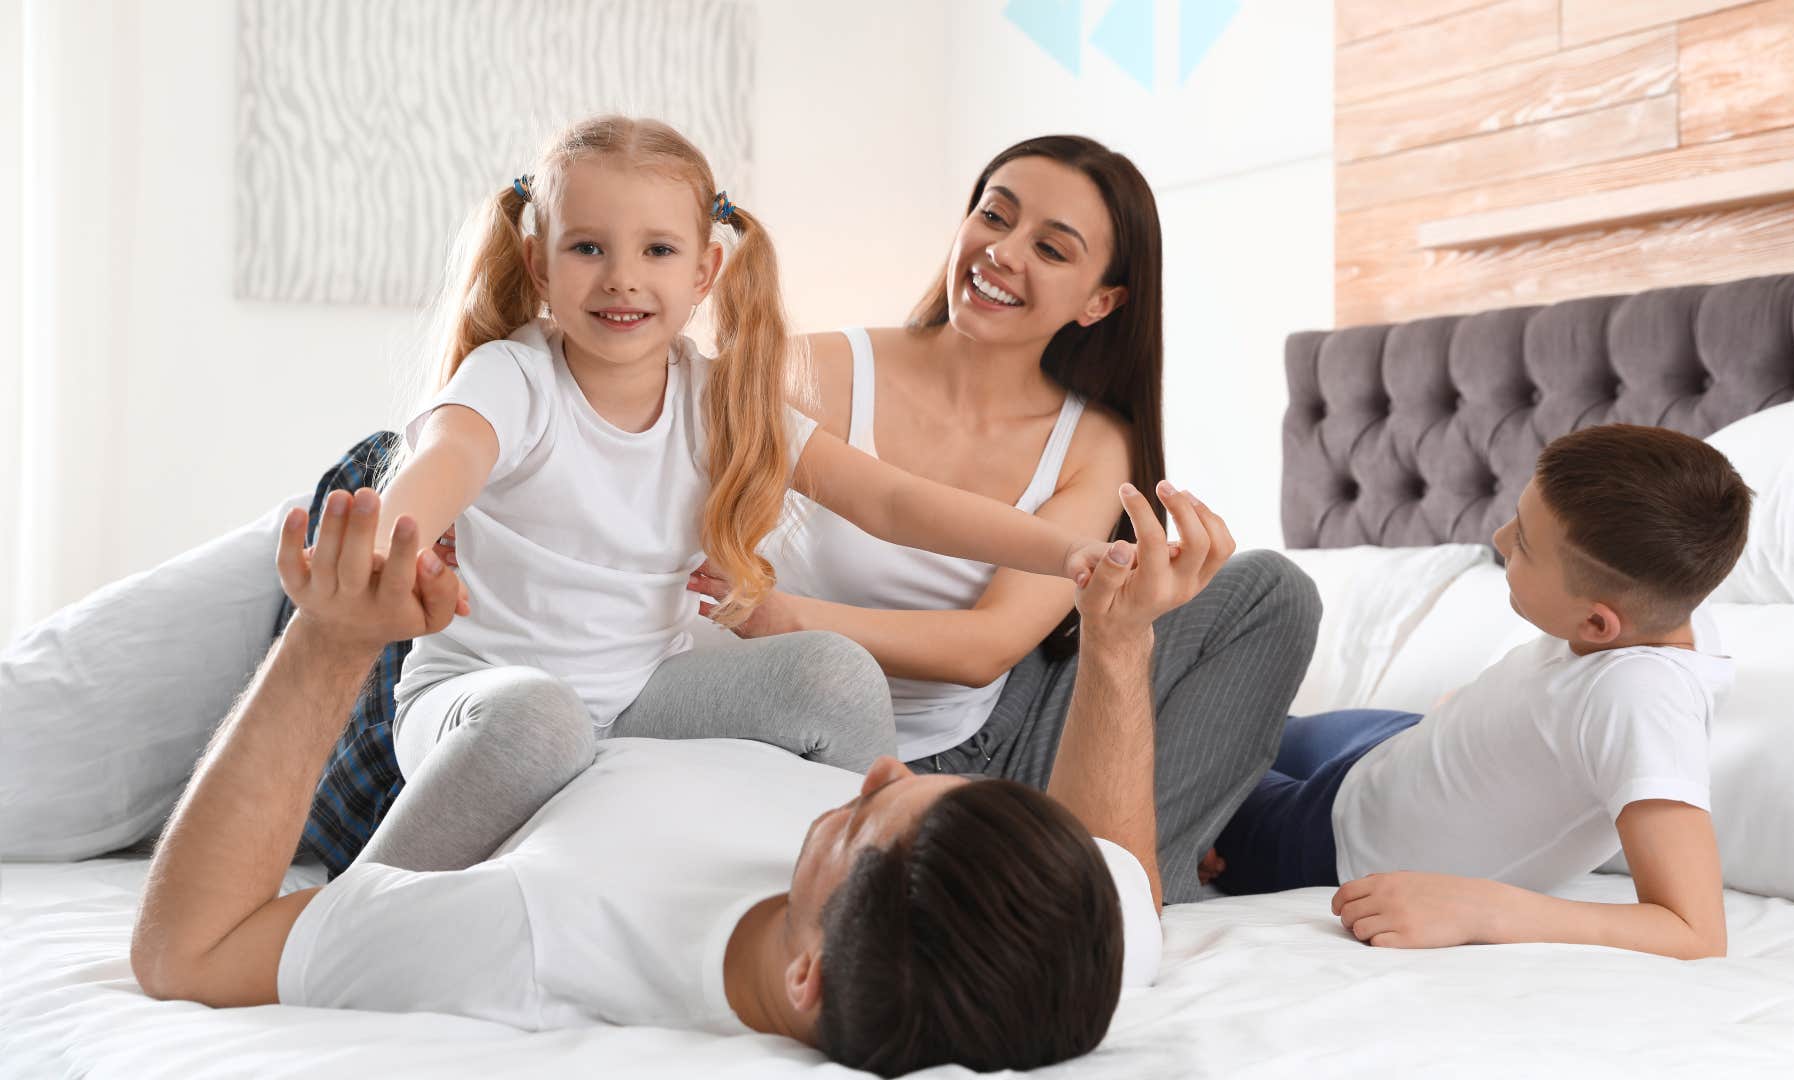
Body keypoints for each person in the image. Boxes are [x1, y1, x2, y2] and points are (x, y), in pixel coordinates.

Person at [129, 479, 1231, 1076]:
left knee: (523, 707)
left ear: (808, 983)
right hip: (636, 677)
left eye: (858, 821)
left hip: (443, 695)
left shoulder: (539, 930)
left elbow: (191, 952)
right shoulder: (1057, 957)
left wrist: (328, 640)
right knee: (837, 682)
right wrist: (1118, 640)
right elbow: (1123, 869)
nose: (887, 766)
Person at [361, 115, 1114, 873]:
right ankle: (363, 904)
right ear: (538, 265)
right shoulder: (512, 376)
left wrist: (1071, 551)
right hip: (484, 700)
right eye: (587, 247)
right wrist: (393, 542)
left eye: (657, 250)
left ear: (704, 274)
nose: (622, 276)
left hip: (637, 697)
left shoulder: (719, 400)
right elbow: (447, 457)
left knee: (836, 672)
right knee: (542, 719)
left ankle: (874, 893)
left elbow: (893, 503)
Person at [678, 135, 1322, 903]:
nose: (1004, 252)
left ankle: (1139, 877)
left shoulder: (1094, 442)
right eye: (994, 215)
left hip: (986, 731)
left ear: (1101, 301)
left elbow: (988, 647)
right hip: (841, 742)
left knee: (1271, 591)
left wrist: (789, 617)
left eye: (1051, 249)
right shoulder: (807, 369)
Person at [1206, 425, 1751, 960]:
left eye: (1525, 545)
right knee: (1256, 725)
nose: (1499, 538)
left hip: (1338, 838)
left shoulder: (1644, 701)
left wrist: (1481, 909)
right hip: (1401, 741)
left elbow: (1694, 930)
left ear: (1598, 624)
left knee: (1188, 744)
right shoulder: (1667, 599)